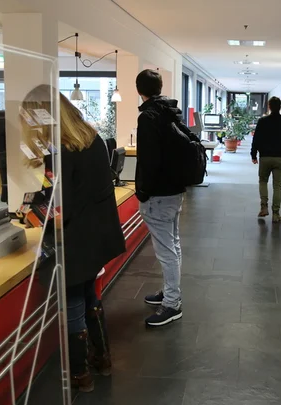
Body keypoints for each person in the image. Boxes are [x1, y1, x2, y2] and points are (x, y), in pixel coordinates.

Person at [21, 85, 126, 392]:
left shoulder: (61, 154)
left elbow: (59, 207)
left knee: (73, 303)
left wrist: (32, 215)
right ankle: (102, 358)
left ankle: (80, 373)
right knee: (91, 296)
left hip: (75, 239)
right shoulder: (92, 139)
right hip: (97, 235)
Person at [135, 69, 185, 327]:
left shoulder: (148, 117)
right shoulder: (171, 112)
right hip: (175, 190)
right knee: (172, 245)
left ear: (139, 90)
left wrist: (143, 192)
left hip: (158, 195)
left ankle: (172, 303)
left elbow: (149, 161)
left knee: (166, 251)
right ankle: (169, 291)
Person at [251, 96, 281, 223]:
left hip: (265, 157)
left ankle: (264, 207)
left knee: (263, 181)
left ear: (269, 107)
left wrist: (253, 155)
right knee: (278, 186)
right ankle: (276, 214)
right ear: (280, 107)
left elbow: (256, 139)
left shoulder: (262, 121)